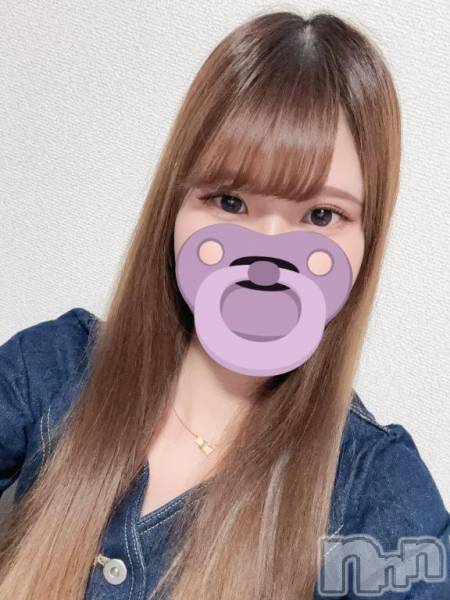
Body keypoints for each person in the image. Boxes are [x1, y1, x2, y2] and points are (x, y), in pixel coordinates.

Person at [0, 9, 449, 600]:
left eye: (321, 215)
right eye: (229, 200)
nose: (266, 254)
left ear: (368, 238)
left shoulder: (376, 488)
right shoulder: (53, 368)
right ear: (175, 205)